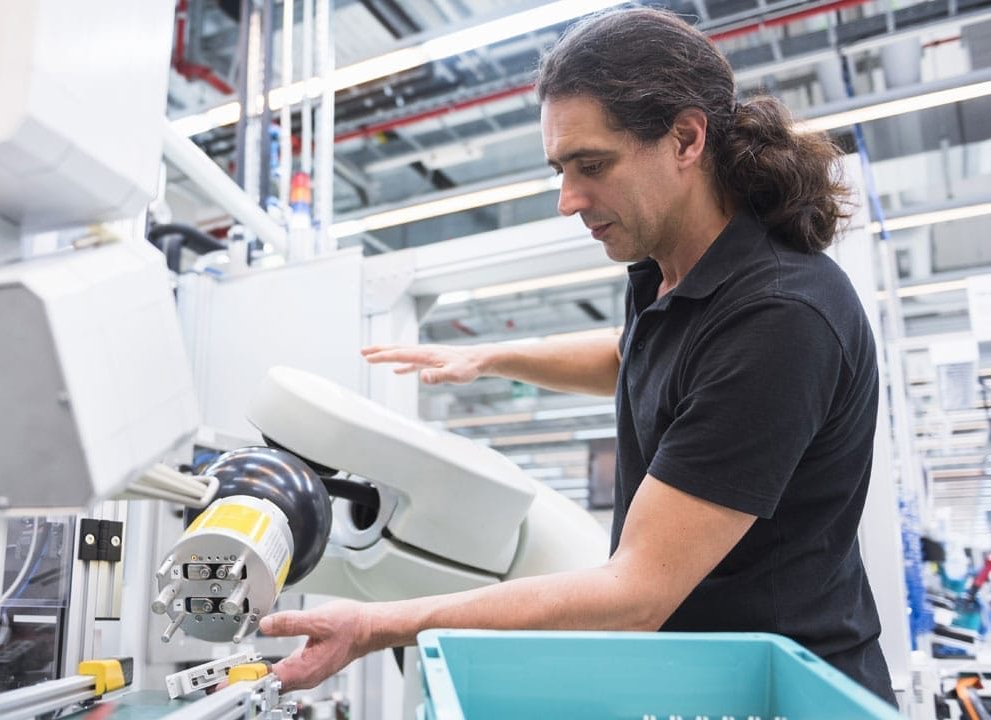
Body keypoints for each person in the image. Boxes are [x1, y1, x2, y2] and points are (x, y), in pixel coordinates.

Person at [259, 6, 896, 705]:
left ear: (686, 138)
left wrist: (380, 624)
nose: (568, 200)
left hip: (785, 692)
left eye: (592, 165)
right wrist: (495, 358)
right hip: (701, 673)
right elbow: (634, 358)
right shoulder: (674, 270)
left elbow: (634, 593)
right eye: (561, 168)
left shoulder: (778, 316)